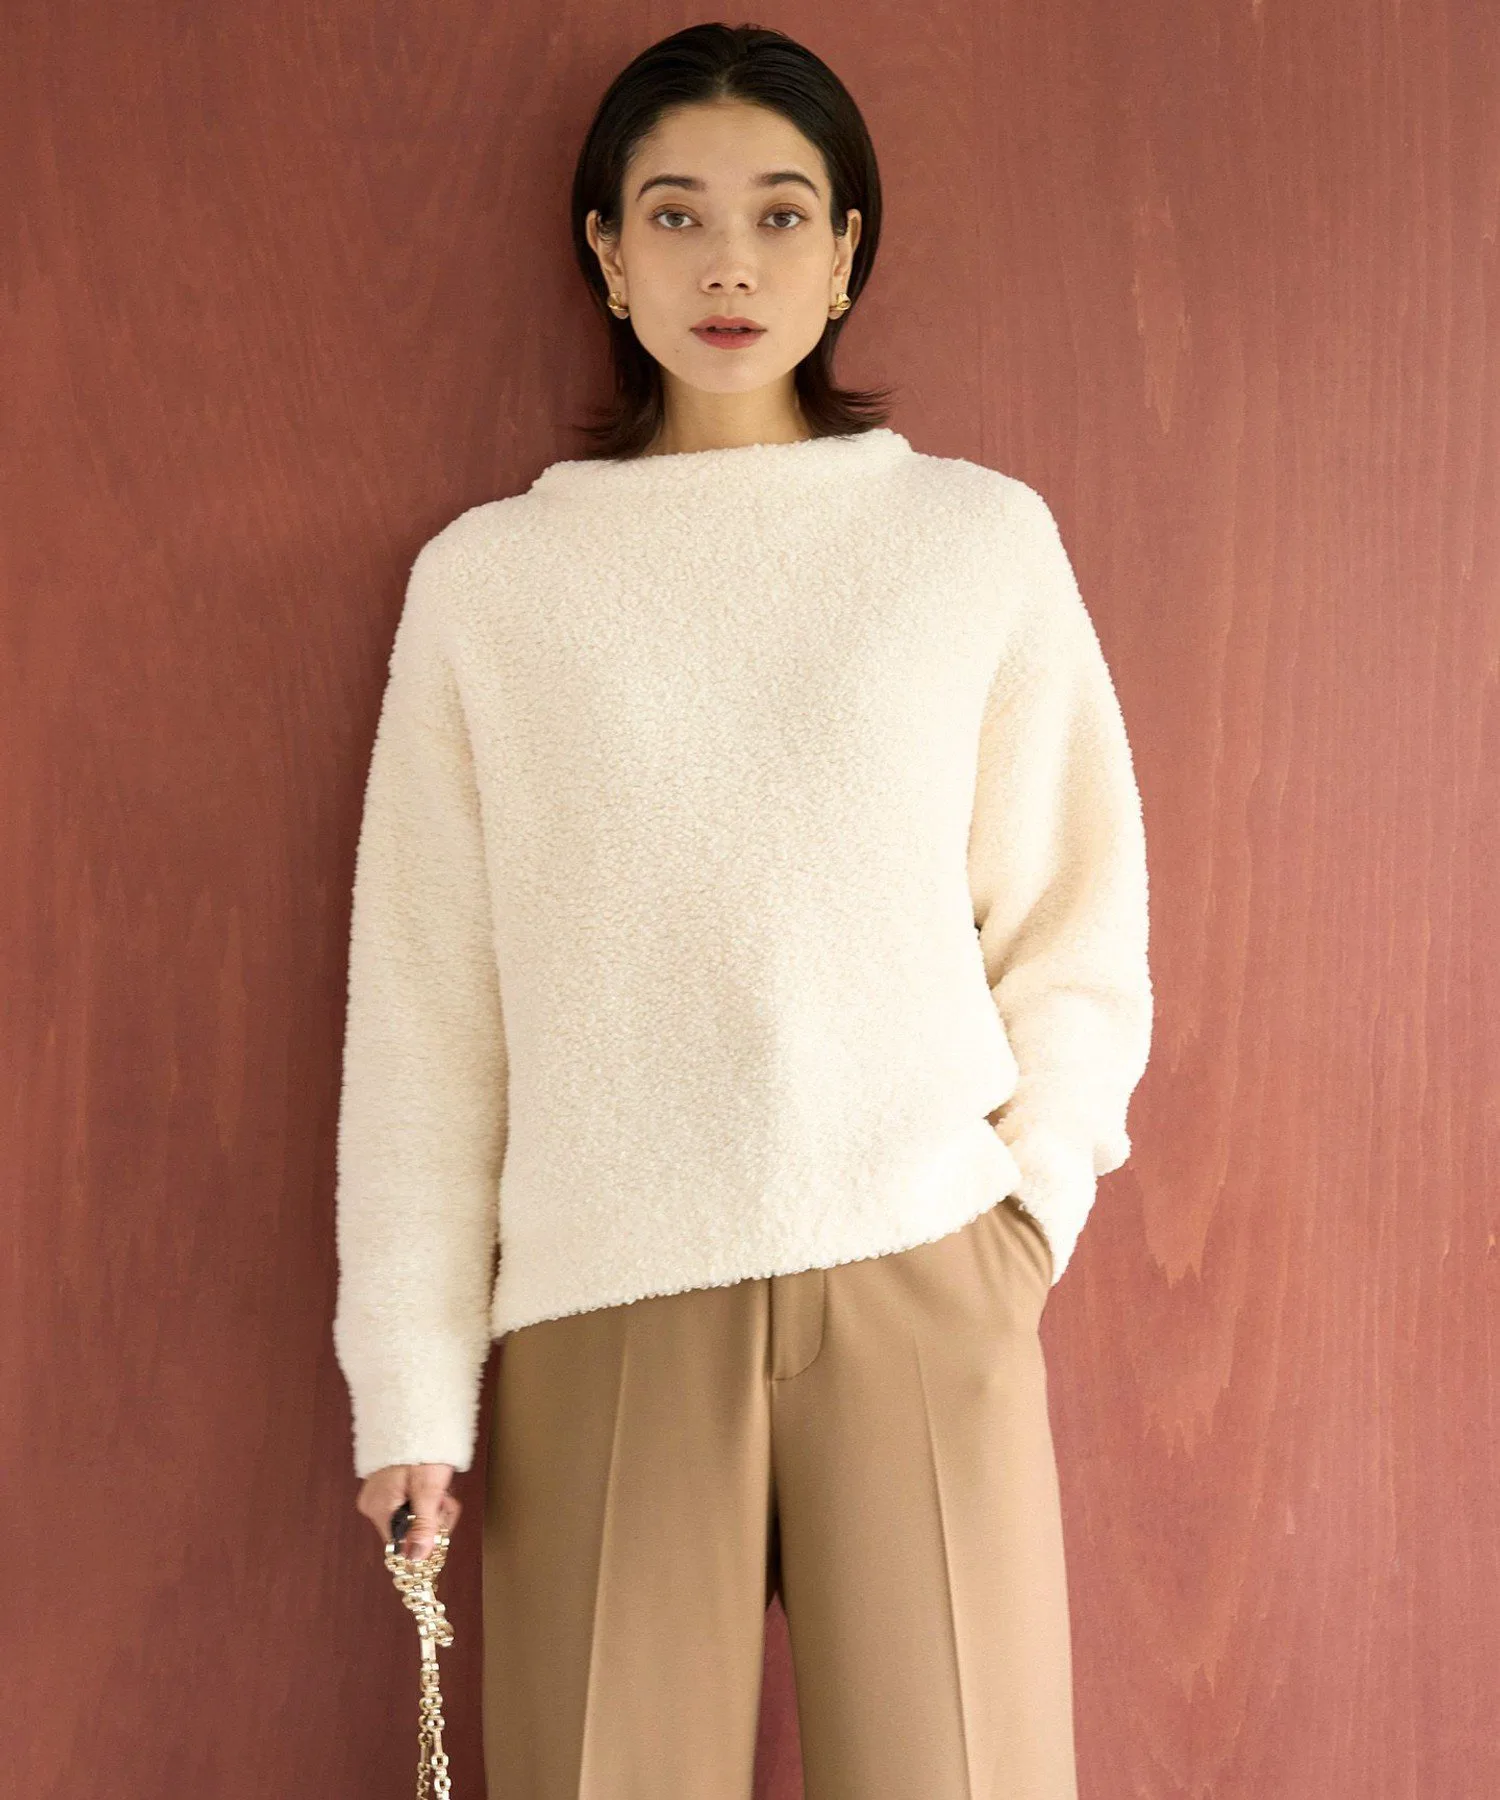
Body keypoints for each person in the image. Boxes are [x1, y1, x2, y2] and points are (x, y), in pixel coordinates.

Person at [332, 23, 1152, 1799]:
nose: (729, 263)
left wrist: (1027, 1216)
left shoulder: (972, 543)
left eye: (782, 215)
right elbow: (427, 1018)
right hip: (604, 1301)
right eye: (676, 213)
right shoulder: (494, 587)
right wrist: (410, 1383)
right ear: (606, 250)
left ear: (847, 250)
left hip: (923, 1271)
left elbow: (1072, 921)